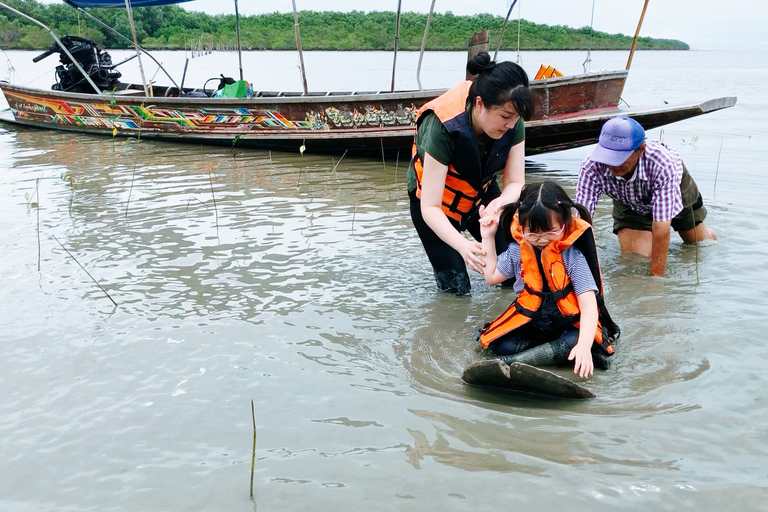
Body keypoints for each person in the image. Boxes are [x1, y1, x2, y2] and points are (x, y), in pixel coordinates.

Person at [407, 51, 534, 295]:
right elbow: (429, 207)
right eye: (506, 117)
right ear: (479, 104)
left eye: (516, 118)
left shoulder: (513, 119)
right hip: (436, 203)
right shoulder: (442, 126)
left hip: (482, 191)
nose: (511, 124)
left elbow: (516, 181)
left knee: (512, 274)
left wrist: (499, 205)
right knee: (457, 291)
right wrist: (463, 245)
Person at [476, 182, 619, 378]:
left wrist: (584, 346)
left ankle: (511, 364)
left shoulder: (573, 257)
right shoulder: (517, 251)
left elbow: (589, 307)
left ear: (565, 224)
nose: (541, 239)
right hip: (535, 325)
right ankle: (540, 358)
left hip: (569, 326)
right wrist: (488, 237)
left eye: (549, 231)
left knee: (577, 341)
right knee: (501, 344)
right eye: (532, 232)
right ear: (521, 226)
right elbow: (491, 277)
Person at [576, 116, 717, 277]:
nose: (612, 165)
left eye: (619, 158)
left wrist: (656, 281)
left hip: (676, 190)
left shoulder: (663, 162)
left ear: (641, 150)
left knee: (698, 242)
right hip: (628, 199)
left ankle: (710, 233)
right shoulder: (591, 166)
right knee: (635, 259)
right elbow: (581, 221)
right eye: (608, 156)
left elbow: (662, 228)